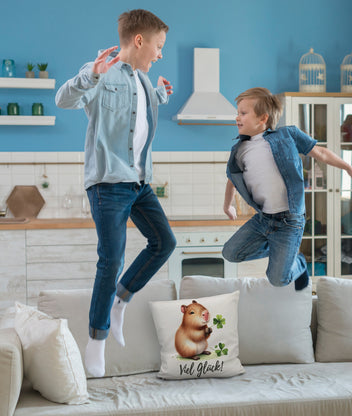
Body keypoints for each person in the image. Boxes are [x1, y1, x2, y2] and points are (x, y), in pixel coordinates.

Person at [55, 9, 176, 377]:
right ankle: (97, 340)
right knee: (112, 259)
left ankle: (122, 300)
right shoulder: (102, 75)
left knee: (164, 243)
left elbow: (138, 119)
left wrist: (161, 95)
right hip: (108, 183)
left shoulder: (142, 81)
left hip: (139, 183)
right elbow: (64, 99)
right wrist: (90, 75)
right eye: (158, 46)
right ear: (138, 41)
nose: (160, 54)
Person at [222, 87, 352, 290]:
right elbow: (232, 179)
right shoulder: (239, 150)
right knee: (230, 253)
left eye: (243, 113)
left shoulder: (287, 135)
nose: (237, 117)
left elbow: (321, 153)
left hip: (290, 221)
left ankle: (298, 263)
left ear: (263, 118)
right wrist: (228, 206)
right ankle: (282, 252)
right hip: (264, 219)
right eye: (237, 113)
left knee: (277, 279)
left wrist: (348, 168)